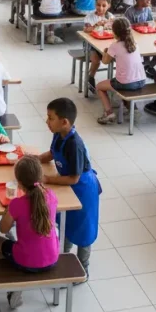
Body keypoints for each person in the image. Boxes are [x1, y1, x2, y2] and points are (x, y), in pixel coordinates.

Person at [38, 98, 100, 273]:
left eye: (50, 118)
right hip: (67, 185)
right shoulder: (58, 134)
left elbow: (74, 178)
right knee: (66, 223)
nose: (47, 121)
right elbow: (52, 153)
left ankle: (83, 268)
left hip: (83, 190)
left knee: (84, 230)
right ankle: (63, 258)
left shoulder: (75, 145)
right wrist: (35, 159)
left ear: (64, 122)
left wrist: (48, 179)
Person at [0, 156, 60, 309]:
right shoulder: (51, 195)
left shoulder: (17, 204)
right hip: (53, 258)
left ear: (19, 184)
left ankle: (11, 284)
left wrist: (9, 209)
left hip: (26, 260)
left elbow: (3, 229)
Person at [94, 18, 146, 124]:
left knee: (99, 86)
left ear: (114, 32)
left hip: (126, 83)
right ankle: (133, 110)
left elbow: (105, 61)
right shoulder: (135, 44)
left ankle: (109, 113)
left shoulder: (114, 46)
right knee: (127, 79)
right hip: (142, 80)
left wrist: (105, 52)